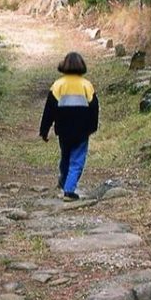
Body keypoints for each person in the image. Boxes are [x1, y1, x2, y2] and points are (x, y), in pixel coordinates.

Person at [39, 51, 99, 201]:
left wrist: (44, 130)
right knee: (77, 160)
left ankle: (64, 180)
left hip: (63, 131)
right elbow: (94, 109)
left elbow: (49, 110)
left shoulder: (58, 85)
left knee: (65, 157)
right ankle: (69, 190)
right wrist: (92, 128)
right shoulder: (87, 85)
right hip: (82, 131)